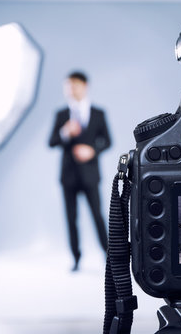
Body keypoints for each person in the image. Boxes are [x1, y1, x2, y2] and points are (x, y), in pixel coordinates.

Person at [49, 71, 111, 271]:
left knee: (97, 215)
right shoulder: (61, 115)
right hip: (68, 175)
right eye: (67, 86)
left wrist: (92, 150)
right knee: (71, 218)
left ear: (84, 86)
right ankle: (76, 258)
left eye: (73, 85)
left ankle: (108, 255)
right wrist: (64, 132)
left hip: (90, 174)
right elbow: (52, 142)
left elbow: (108, 141)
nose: (70, 89)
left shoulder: (98, 113)